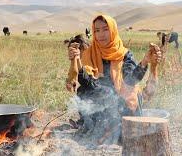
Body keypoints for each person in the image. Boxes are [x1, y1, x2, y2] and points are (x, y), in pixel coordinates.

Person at [67, 15, 161, 145]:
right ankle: (97, 127)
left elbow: (130, 81)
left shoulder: (125, 54)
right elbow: (87, 83)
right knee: (84, 91)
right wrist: (76, 60)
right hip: (102, 102)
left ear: (113, 30)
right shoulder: (91, 52)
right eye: (97, 30)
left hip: (122, 102)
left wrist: (144, 62)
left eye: (105, 29)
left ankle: (115, 129)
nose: (101, 34)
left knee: (117, 94)